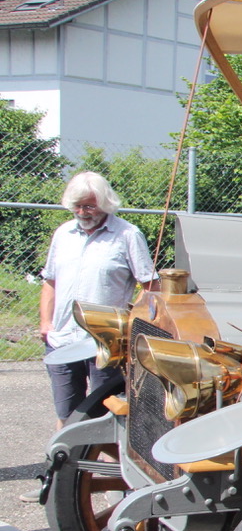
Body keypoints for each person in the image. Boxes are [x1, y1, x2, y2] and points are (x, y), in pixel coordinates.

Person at [25, 173, 159, 501]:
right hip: (62, 339)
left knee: (107, 413)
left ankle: (117, 486)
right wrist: (46, 323)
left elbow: (149, 287)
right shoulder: (63, 234)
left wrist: (139, 329)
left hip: (106, 344)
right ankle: (59, 487)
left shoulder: (127, 235)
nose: (83, 211)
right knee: (66, 413)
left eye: (90, 205)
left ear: (105, 203)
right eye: (77, 205)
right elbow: (50, 282)